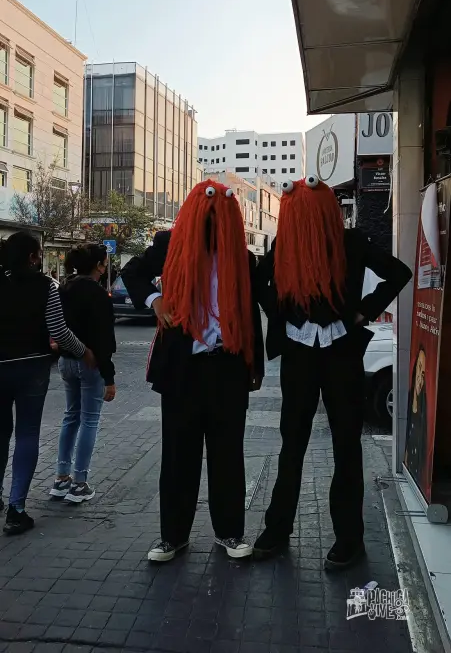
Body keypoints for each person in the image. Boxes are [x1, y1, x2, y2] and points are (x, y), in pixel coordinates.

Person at [253, 175, 412, 569]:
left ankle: (349, 538)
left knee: (346, 446)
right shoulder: (283, 245)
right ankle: (278, 529)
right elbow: (259, 282)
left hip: (341, 352)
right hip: (300, 356)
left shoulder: (351, 242)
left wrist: (363, 311)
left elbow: (399, 273)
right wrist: (283, 311)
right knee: (292, 445)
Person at [122, 180, 264, 562]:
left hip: (228, 367)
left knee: (228, 454)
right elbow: (131, 272)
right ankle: (173, 537)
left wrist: (256, 366)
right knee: (178, 455)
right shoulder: (170, 243)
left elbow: (251, 315)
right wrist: (155, 300)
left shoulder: (243, 257)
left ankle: (230, 533)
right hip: (183, 369)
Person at [0, 232, 93, 535]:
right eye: (38, 253)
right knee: (27, 433)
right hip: (31, 367)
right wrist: (84, 351)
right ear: (32, 256)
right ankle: (16, 509)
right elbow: (59, 331)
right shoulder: (46, 286)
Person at [50, 243, 117, 504]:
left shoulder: (64, 288)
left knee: (71, 417)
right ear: (98, 266)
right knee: (89, 420)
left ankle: (60, 478)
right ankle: (80, 482)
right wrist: (109, 378)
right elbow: (104, 339)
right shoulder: (97, 294)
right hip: (90, 362)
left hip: (67, 360)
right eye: (104, 263)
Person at [404, 346, 428, 493]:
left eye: (424, 374)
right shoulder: (407, 401)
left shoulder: (423, 410)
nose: (420, 378)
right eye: (419, 369)